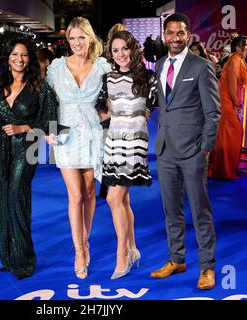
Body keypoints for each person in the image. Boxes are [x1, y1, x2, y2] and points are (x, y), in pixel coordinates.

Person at [150, 13, 221, 290]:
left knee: (199, 210)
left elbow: (213, 112)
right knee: (171, 209)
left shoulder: (202, 67)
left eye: (180, 33)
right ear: (164, 35)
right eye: (170, 33)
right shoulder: (159, 64)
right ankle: (177, 259)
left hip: (193, 151)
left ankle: (207, 266)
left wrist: (205, 148)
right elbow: (163, 106)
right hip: (165, 150)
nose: (175, 38)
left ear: (188, 35)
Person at [46, 16, 112, 279]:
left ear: (90, 38)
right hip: (64, 135)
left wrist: (103, 117)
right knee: (75, 195)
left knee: (89, 194)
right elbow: (48, 102)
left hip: (93, 135)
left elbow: (113, 98)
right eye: (72, 38)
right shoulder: (56, 67)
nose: (76, 43)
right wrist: (49, 129)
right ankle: (79, 250)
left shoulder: (102, 66)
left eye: (81, 38)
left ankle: (86, 240)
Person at [0, 36, 58, 279]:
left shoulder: (39, 87)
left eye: (24, 55)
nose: (19, 59)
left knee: (17, 197)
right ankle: (8, 257)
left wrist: (24, 128)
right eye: (15, 54)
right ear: (8, 58)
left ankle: (24, 260)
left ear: (30, 59)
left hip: (28, 148)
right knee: (3, 200)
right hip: (0, 149)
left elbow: (51, 122)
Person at [96, 30, 157, 280]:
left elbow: (151, 107)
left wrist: (140, 114)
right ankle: (132, 249)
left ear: (133, 48)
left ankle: (122, 254)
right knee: (122, 200)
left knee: (113, 199)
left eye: (124, 48)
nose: (120, 54)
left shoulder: (149, 77)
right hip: (113, 142)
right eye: (115, 50)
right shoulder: (107, 78)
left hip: (135, 143)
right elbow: (102, 113)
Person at [208, 36, 247, 180]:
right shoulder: (235, 60)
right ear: (238, 47)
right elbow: (233, 85)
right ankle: (224, 171)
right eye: (246, 45)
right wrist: (238, 104)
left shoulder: (238, 59)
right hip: (227, 103)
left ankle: (224, 169)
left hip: (228, 102)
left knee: (229, 135)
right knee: (231, 135)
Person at [99, 22, 127, 200]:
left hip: (109, 114)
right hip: (114, 114)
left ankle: (105, 185)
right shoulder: (109, 63)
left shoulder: (102, 61)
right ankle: (112, 184)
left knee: (106, 152)